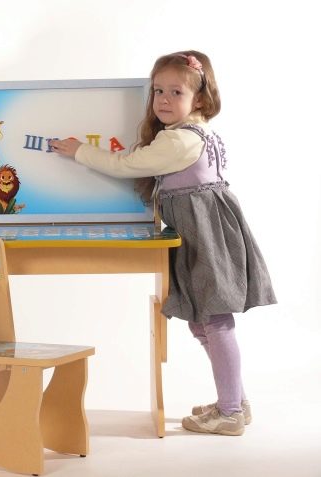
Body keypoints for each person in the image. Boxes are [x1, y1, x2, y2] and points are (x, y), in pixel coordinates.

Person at [50, 50, 276, 436]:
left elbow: (124, 166)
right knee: (205, 323)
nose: (164, 100)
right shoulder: (195, 132)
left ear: (199, 100)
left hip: (205, 237)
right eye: (158, 91)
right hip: (204, 234)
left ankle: (230, 411)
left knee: (214, 321)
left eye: (176, 92)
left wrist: (79, 150)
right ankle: (234, 402)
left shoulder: (178, 141)